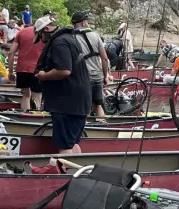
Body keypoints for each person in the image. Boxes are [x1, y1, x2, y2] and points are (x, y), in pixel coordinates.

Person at [34, 15, 91, 154]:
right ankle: (77, 168)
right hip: (79, 100)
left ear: (46, 29)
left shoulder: (59, 42)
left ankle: (64, 169)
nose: (42, 40)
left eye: (41, 36)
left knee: (64, 145)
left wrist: (43, 75)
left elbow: (64, 70)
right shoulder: (70, 38)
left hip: (66, 102)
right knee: (73, 142)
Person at [72, 11, 109, 120]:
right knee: (97, 105)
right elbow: (105, 58)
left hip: (83, 78)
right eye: (87, 21)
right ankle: (103, 125)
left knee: (83, 106)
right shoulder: (95, 36)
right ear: (83, 22)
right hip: (98, 77)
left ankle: (84, 127)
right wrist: (105, 76)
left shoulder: (72, 38)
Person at [7, 21, 44, 111]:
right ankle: (35, 117)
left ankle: (24, 114)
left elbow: (11, 53)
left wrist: (10, 72)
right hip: (38, 69)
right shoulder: (44, 33)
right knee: (37, 95)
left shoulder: (22, 32)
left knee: (26, 95)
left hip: (22, 68)